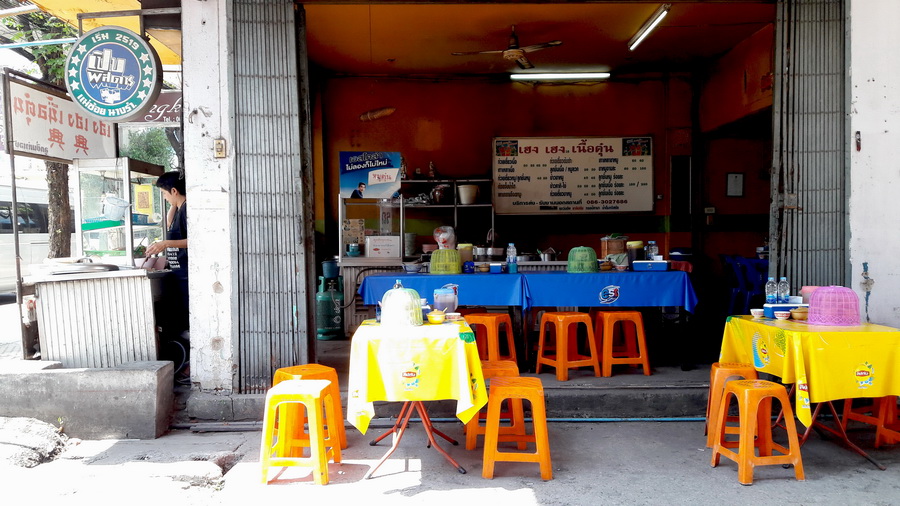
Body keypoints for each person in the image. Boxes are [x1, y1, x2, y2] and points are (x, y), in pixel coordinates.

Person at [146, 170, 190, 385]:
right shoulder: (179, 208)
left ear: (174, 190)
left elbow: (193, 240)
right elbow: (170, 222)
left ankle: (189, 366)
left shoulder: (189, 209)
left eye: (165, 194)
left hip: (187, 276)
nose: (164, 198)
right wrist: (174, 202)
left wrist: (165, 244)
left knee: (187, 321)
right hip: (178, 274)